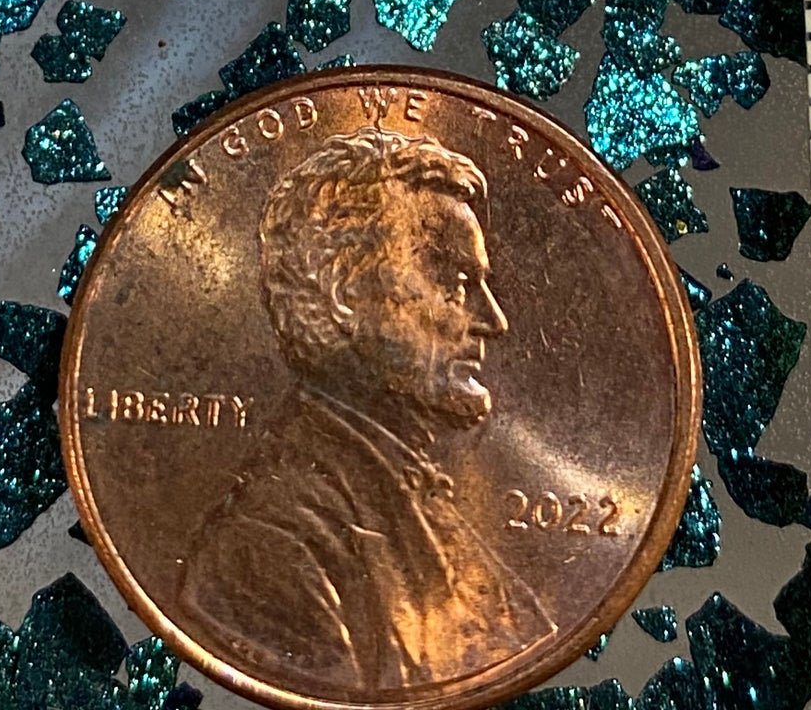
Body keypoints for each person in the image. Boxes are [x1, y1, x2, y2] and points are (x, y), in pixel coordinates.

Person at [180, 125, 554, 695]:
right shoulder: (270, 546)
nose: (492, 320)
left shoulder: (407, 493)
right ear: (343, 293)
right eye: (456, 284)